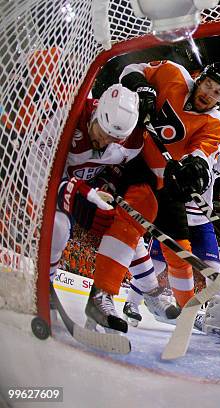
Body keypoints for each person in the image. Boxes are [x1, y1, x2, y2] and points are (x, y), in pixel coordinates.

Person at [27, 84, 159, 333]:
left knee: (126, 224)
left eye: (114, 138)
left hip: (88, 190)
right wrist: (74, 193)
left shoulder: (129, 142)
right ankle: (44, 283)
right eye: (103, 132)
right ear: (96, 114)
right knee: (58, 225)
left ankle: (107, 297)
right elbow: (36, 175)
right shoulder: (64, 121)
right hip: (54, 188)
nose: (104, 141)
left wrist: (108, 185)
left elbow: (118, 170)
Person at [119, 60, 220, 309]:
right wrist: (141, 87)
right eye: (208, 85)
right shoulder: (172, 73)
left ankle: (202, 311)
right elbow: (130, 70)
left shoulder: (215, 126)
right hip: (134, 164)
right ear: (200, 79)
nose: (209, 93)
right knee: (135, 239)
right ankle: (131, 300)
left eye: (217, 92)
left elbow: (206, 157)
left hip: (184, 205)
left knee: (196, 262)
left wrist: (194, 166)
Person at [122, 127, 220, 327]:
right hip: (173, 216)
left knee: (213, 269)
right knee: (156, 264)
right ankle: (131, 304)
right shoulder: (175, 147)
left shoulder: (210, 153)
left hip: (202, 221)